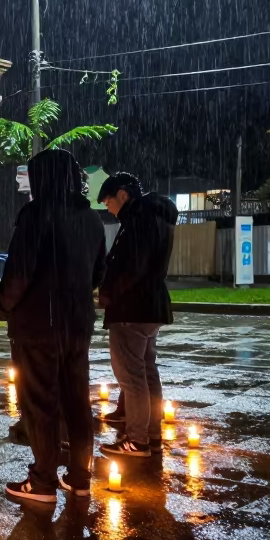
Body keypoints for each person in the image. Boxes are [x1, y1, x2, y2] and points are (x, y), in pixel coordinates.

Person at [0, 149, 106, 502]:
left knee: (40, 402)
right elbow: (98, 273)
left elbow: (18, 273)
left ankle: (43, 480)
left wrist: (5, 305)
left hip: (37, 327)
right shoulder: (91, 219)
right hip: (76, 324)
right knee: (76, 400)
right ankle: (79, 476)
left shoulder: (36, 214)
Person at [96, 173, 178, 458]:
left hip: (132, 308)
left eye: (108, 201)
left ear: (122, 194)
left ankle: (138, 439)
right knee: (147, 371)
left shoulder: (138, 220)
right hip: (151, 305)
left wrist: (107, 294)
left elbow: (132, 267)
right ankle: (152, 434)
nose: (108, 207)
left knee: (131, 377)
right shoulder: (157, 217)